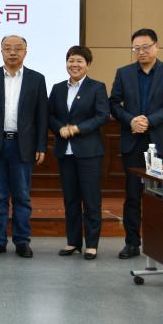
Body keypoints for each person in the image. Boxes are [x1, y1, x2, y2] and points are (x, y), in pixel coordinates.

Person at [110, 28, 163, 259]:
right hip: (133, 142)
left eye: (145, 47)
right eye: (136, 48)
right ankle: (132, 243)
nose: (141, 51)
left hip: (162, 142)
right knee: (133, 196)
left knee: (162, 196)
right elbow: (114, 104)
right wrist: (131, 120)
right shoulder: (124, 73)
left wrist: (148, 121)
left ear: (156, 46)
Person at [0, 35, 47, 259]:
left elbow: (41, 116)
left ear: (26, 51)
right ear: (1, 51)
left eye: (18, 48)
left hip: (23, 146)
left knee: (22, 196)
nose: (12, 52)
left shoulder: (37, 79)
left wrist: (41, 145)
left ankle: (22, 241)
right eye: (7, 48)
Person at [48, 46, 109, 260]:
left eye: (79, 61)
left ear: (88, 65)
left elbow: (102, 116)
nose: (74, 65)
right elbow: (50, 115)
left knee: (91, 200)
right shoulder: (57, 88)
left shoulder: (97, 87)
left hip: (89, 152)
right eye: (71, 60)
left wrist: (77, 128)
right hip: (65, 152)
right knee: (71, 199)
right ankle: (73, 241)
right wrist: (60, 128)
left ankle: (91, 244)